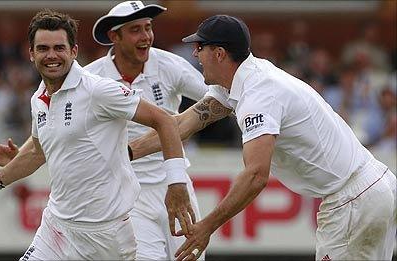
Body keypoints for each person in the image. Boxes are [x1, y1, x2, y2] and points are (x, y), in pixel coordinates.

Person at [128, 15, 397, 261]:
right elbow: (180, 125)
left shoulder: (259, 95)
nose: (195, 54)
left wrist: (206, 227)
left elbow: (256, 175)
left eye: (201, 48)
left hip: (352, 200)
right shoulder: (239, 81)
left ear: (220, 54)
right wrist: (126, 154)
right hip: (370, 187)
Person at [0, 9, 195, 260]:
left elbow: (164, 121)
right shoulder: (38, 98)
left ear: (74, 51)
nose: (51, 55)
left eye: (59, 47)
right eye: (43, 48)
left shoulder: (98, 90)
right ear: (31, 54)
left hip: (106, 235)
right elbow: (37, 152)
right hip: (56, 226)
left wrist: (176, 182)